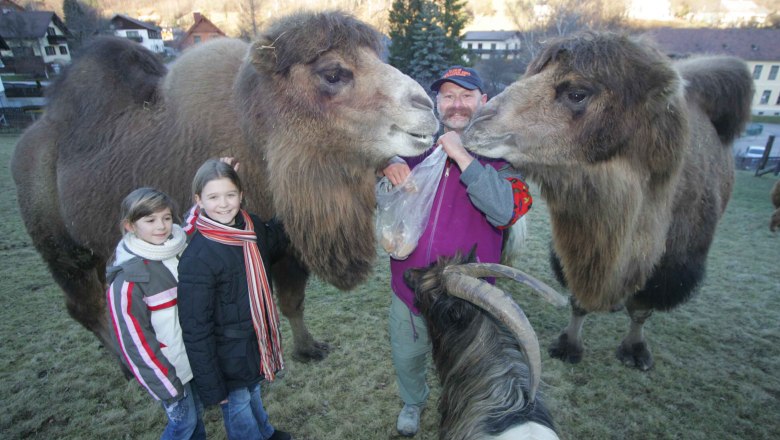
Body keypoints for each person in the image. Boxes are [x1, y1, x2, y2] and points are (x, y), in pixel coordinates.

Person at [381, 66, 533, 437]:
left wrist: (463, 157)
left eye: (466, 95)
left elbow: (506, 210)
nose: (457, 104)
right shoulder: (417, 149)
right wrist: (387, 163)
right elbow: (375, 166)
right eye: (448, 96)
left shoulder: (503, 160)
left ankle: (464, 411)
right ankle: (413, 402)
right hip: (411, 289)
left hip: (469, 298)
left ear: (483, 102)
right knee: (408, 358)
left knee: (466, 365)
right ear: (437, 103)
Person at [177, 159, 292, 440]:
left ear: (241, 195)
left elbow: (276, 240)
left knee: (253, 391)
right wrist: (212, 385)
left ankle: (264, 431)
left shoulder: (252, 229)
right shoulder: (199, 257)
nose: (224, 204)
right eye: (213, 197)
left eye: (230, 195)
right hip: (225, 353)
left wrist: (298, 202)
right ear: (199, 200)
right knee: (238, 405)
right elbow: (195, 328)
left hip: (255, 338)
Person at [106, 187, 206, 440]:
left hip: (192, 361)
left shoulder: (176, 247)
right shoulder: (128, 281)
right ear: (129, 225)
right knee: (183, 425)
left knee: (197, 420)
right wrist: (168, 387)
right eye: (150, 220)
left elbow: (192, 226)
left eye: (167, 218)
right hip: (169, 373)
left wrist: (214, 184)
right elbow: (135, 344)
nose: (161, 226)